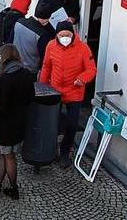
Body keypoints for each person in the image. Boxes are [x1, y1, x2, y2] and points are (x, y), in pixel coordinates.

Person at [39, 20, 96, 167]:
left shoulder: (83, 48)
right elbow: (46, 67)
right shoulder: (51, 46)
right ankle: (49, 149)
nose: (65, 38)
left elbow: (91, 69)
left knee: (72, 124)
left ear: (73, 34)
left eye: (67, 35)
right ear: (57, 35)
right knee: (52, 122)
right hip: (55, 90)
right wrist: (42, 88)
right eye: (62, 35)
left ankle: (65, 151)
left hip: (74, 92)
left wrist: (81, 79)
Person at [0, 43, 35, 200]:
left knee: (8, 156)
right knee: (6, 155)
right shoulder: (25, 74)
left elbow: (0, 106)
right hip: (19, 123)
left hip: (5, 125)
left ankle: (13, 189)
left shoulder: (4, 79)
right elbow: (31, 97)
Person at [14, 10, 57, 74]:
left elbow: (10, 42)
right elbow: (44, 57)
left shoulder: (19, 22)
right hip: (31, 70)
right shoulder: (42, 34)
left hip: (16, 65)